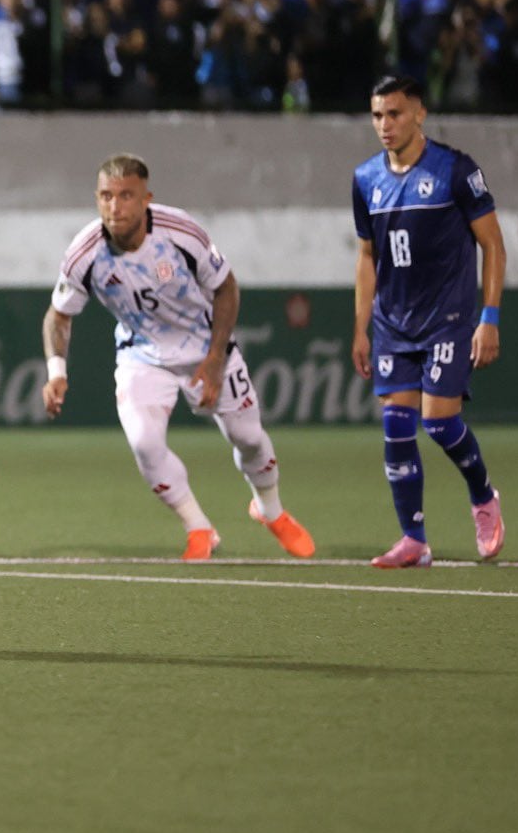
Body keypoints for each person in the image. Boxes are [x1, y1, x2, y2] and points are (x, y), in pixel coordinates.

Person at [41, 156, 315, 562]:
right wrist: (57, 371)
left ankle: (269, 509)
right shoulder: (85, 253)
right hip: (142, 357)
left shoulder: (180, 233)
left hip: (206, 348)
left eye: (126, 196)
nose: (115, 206)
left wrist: (215, 358)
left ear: (146, 199)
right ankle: (199, 528)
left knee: (249, 438)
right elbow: (58, 314)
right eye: (106, 196)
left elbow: (226, 289)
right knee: (145, 444)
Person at [352, 76, 507, 568]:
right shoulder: (364, 179)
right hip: (392, 325)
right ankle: (413, 540)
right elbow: (367, 255)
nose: (384, 125)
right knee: (397, 428)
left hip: (449, 318)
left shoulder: (454, 170)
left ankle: (483, 496)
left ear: (419, 113)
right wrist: (361, 326)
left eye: (394, 114)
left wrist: (490, 318)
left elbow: (493, 246)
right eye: (377, 115)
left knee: (439, 424)